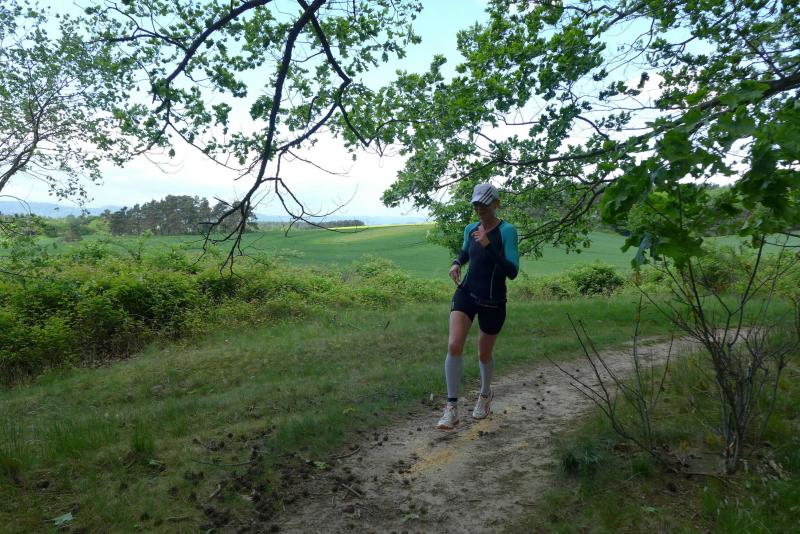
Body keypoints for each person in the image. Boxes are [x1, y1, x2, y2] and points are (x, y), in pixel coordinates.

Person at [436, 183, 520, 430]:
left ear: (496, 204)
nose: (479, 210)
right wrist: (456, 263)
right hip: (467, 293)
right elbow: (465, 252)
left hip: (493, 301)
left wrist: (488, 245)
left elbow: (512, 271)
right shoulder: (470, 228)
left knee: (483, 354)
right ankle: (451, 408)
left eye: (484, 205)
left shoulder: (507, 231)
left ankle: (485, 395)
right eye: (476, 205)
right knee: (454, 345)